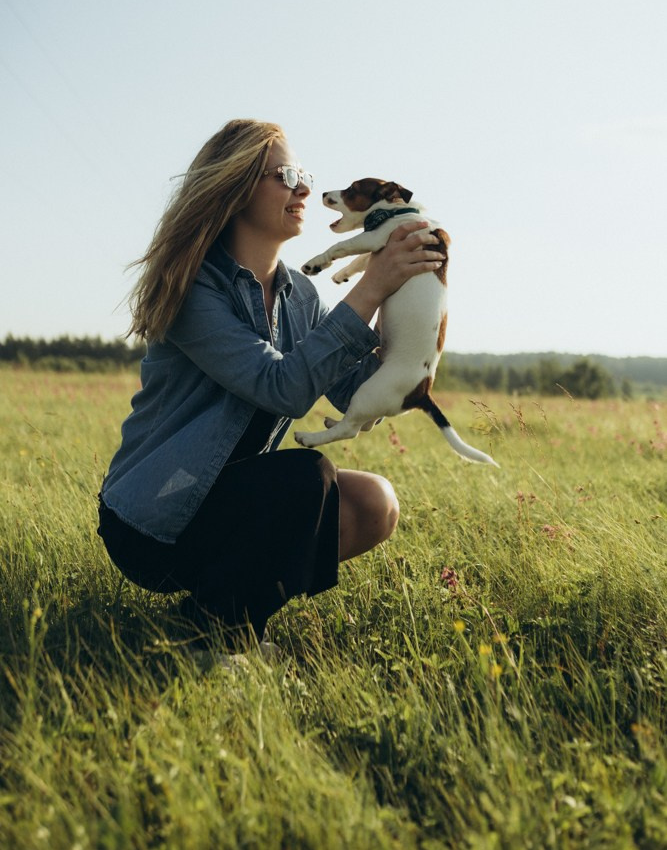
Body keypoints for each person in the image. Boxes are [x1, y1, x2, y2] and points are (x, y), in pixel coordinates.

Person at [98, 118, 444, 655]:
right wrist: (371, 286)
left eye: (304, 175)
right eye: (286, 176)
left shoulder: (299, 296)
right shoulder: (195, 289)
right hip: (153, 521)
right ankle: (220, 637)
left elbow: (355, 391)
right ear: (237, 187)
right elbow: (280, 388)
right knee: (307, 476)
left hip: (226, 504)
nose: (303, 189)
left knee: (374, 503)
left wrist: (417, 324)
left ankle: (211, 609)